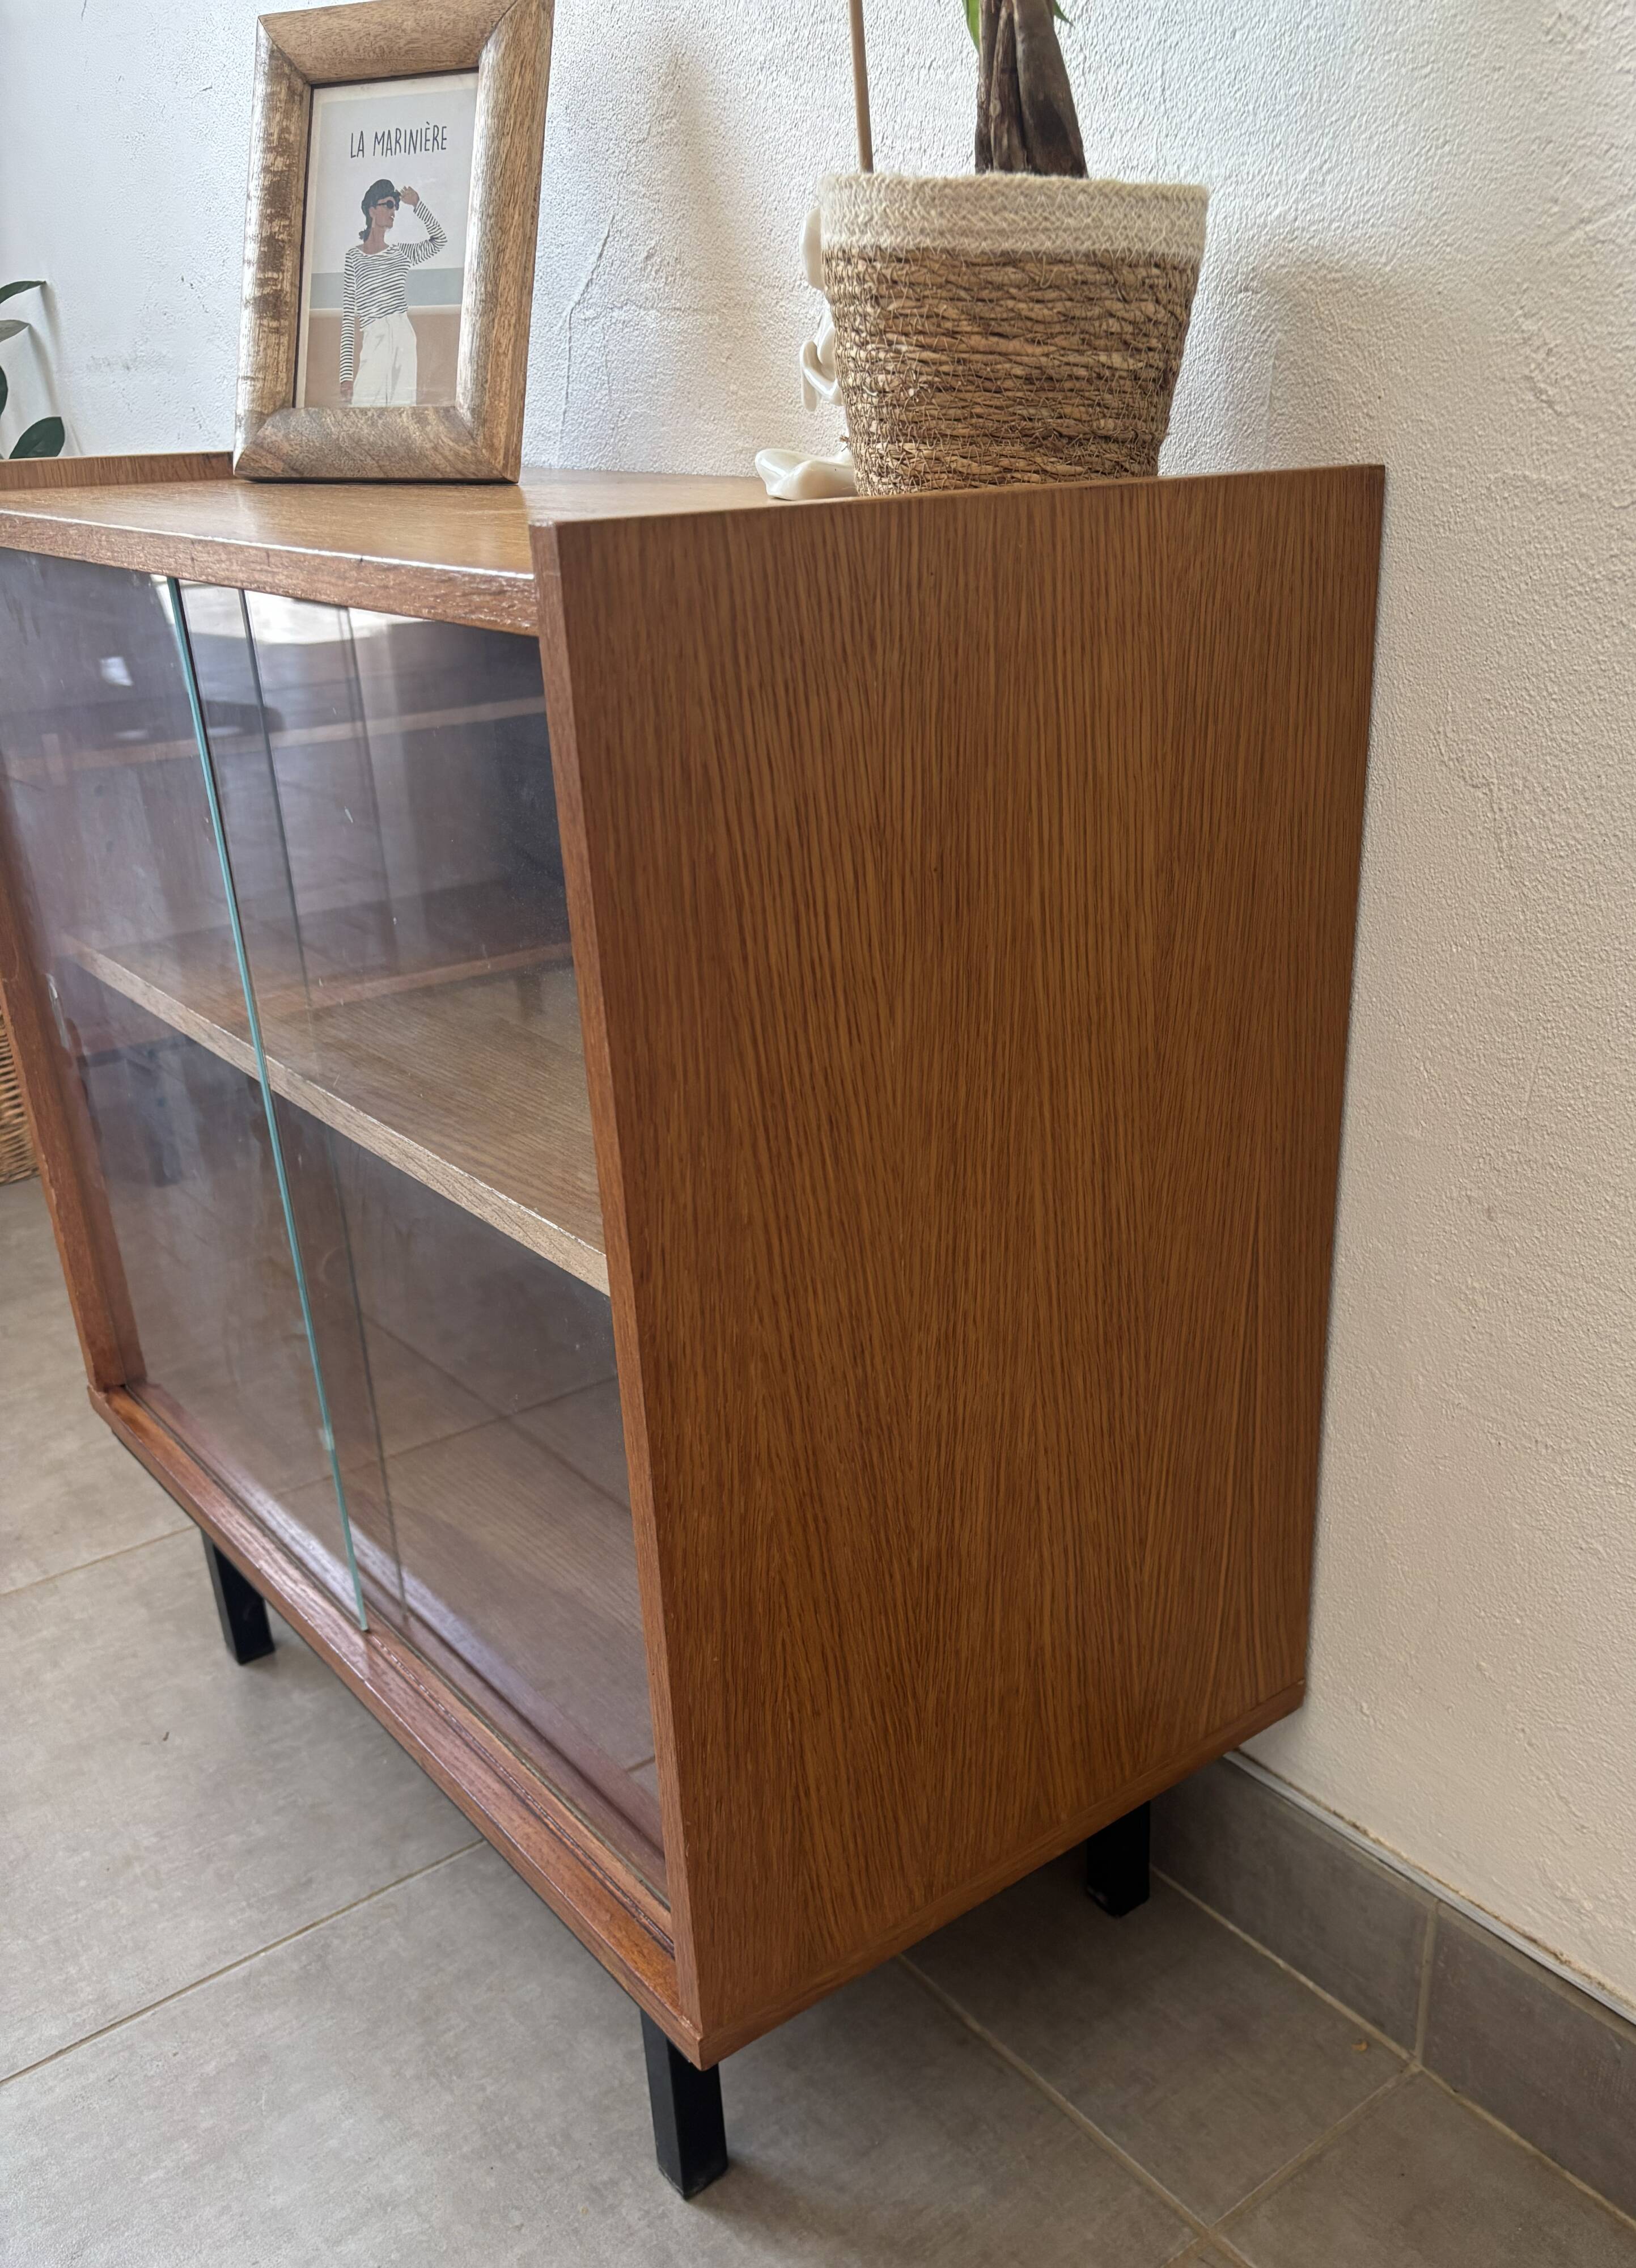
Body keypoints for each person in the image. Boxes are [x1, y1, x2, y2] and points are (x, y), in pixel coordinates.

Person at [340, 178, 447, 407]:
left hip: (402, 335)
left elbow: (439, 241)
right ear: (371, 210)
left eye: (395, 206)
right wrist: (346, 375)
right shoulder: (354, 257)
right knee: (364, 414)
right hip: (374, 336)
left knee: (401, 414)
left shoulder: (401, 254)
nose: (393, 211)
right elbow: (349, 316)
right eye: (388, 205)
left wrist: (417, 205)